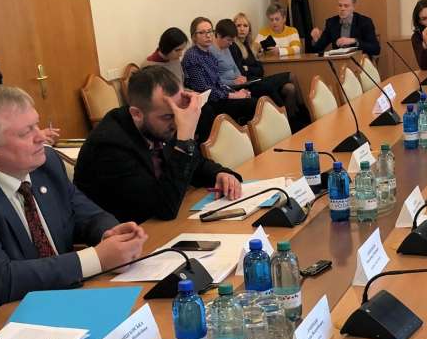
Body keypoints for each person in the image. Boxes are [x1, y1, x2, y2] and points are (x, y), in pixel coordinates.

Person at [0, 86, 148, 305]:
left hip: (68, 297)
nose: (41, 137)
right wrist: (97, 259)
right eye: (26, 132)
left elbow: (89, 216)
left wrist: (111, 235)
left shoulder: (46, 164)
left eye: (36, 125)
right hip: (7, 315)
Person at [74, 66, 242, 224]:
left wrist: (219, 174)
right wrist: (186, 138)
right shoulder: (109, 146)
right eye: (168, 116)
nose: (177, 123)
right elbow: (165, 208)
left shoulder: (157, 124)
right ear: (136, 114)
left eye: (178, 113)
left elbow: (195, 165)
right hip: (128, 233)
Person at [215, 18, 304, 127]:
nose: (242, 29)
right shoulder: (233, 47)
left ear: (249, 29)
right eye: (239, 26)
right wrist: (240, 76)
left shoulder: (247, 45)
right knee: (286, 79)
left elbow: (258, 69)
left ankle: (291, 119)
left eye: (245, 26)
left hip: (253, 80)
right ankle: (290, 119)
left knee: (290, 87)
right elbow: (240, 70)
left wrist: (244, 71)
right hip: (246, 83)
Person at [183, 16, 256, 128]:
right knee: (251, 104)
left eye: (210, 31)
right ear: (194, 37)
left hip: (219, 96)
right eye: (202, 32)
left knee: (251, 97)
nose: (208, 35)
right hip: (209, 102)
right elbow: (205, 90)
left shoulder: (209, 54)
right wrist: (233, 95)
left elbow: (218, 82)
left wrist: (235, 92)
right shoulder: (192, 56)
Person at [310, 0, 381, 56]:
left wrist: (354, 41)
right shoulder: (331, 23)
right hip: (338, 61)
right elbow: (317, 49)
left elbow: (376, 49)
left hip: (358, 60)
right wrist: (316, 40)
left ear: (353, 7)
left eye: (346, 6)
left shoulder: (364, 22)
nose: (342, 9)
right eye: (340, 5)